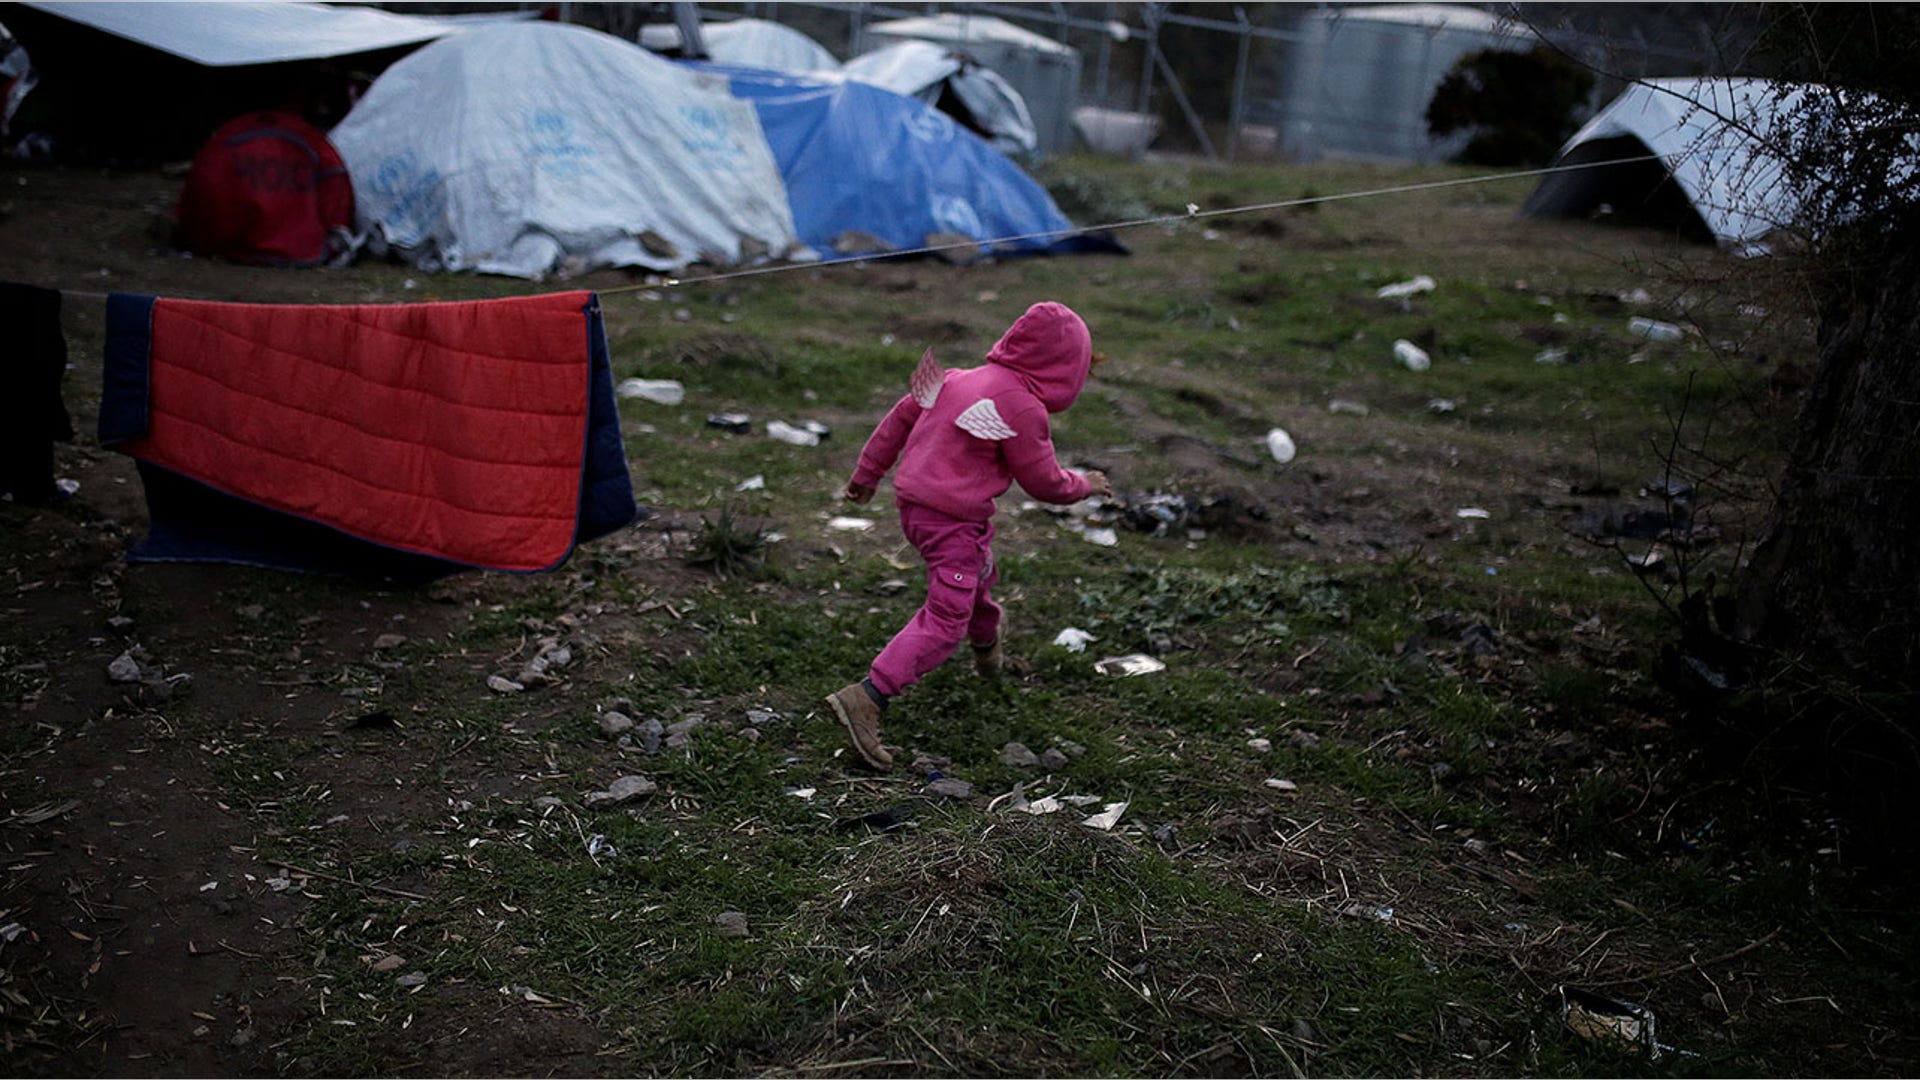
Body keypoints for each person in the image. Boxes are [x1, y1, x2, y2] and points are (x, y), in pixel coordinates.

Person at [826, 301, 1113, 769]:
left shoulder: (957, 378)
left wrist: (867, 473)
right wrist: (1085, 484)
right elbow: (1044, 483)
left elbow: (900, 417)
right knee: (945, 618)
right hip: (951, 521)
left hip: (915, 508)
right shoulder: (1020, 405)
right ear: (1066, 369)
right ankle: (869, 695)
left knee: (977, 573)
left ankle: (988, 654)